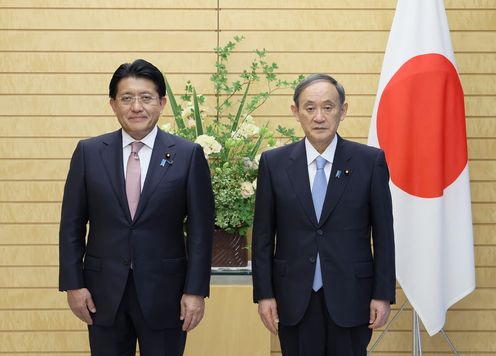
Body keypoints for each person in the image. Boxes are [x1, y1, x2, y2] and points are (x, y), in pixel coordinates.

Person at [59, 59, 214, 356]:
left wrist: (195, 291)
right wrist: (73, 285)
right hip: (102, 293)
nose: (136, 107)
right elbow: (71, 226)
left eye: (146, 97)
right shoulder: (89, 153)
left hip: (167, 293)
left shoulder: (187, 155)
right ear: (113, 104)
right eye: (126, 98)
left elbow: (200, 231)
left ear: (161, 102)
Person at [252, 74, 396, 356]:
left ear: (343, 111)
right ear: (296, 112)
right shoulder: (274, 163)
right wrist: (264, 294)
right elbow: (262, 237)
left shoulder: (370, 162)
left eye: (328, 107)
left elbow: (384, 234)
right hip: (293, 297)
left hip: (352, 296)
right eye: (310, 108)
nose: (319, 117)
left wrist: (383, 294)